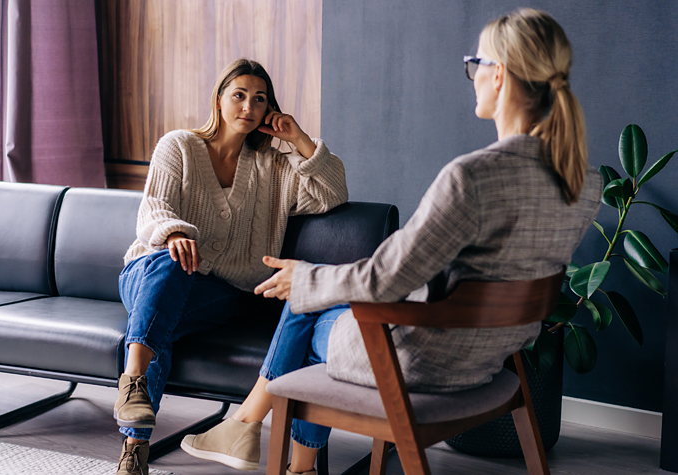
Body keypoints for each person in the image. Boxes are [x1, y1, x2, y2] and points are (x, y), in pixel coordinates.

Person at [181, 9, 603, 475]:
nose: (473, 76)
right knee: (312, 296)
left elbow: (386, 279)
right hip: (490, 360)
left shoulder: (472, 177)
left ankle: (256, 435)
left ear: (498, 74)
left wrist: (306, 278)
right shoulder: (583, 183)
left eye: (475, 64)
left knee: (304, 306)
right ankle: (264, 441)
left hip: (421, 361)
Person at [114, 58, 348, 475]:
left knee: (161, 321)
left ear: (269, 109)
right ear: (219, 100)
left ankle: (134, 449)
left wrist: (299, 139)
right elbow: (153, 207)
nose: (248, 106)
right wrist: (174, 233)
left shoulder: (274, 166)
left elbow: (333, 193)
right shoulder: (179, 145)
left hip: (218, 293)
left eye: (259, 99)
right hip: (150, 271)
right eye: (239, 95)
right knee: (171, 269)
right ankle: (133, 385)